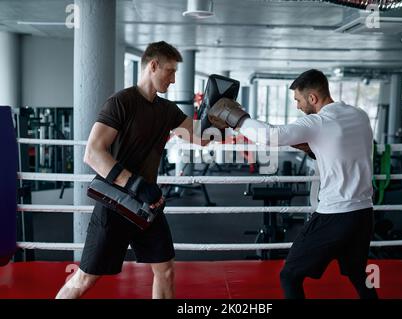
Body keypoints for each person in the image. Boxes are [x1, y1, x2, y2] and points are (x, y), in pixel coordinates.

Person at [207, 69, 378, 299]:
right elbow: (346, 149)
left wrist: (234, 117)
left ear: (313, 98)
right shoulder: (359, 115)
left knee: (289, 275)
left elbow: (270, 136)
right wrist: (313, 148)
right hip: (363, 213)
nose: (297, 106)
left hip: (334, 214)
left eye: (298, 100)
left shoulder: (319, 121)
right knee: (359, 274)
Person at [56, 41, 206, 299]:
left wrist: (223, 115)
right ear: (153, 65)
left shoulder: (166, 109)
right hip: (115, 204)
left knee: (166, 271)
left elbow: (200, 137)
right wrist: (136, 185)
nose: (172, 79)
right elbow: (93, 153)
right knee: (84, 279)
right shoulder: (121, 102)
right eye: (169, 71)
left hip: (147, 206)